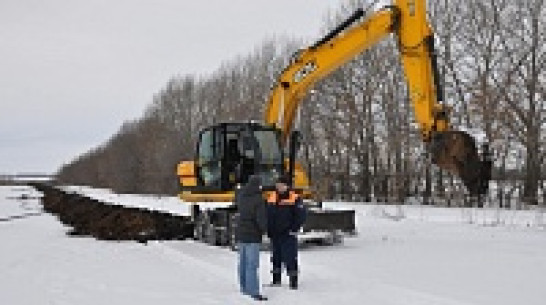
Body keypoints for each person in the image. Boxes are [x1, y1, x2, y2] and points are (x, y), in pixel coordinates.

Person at [266, 175, 307, 290]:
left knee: (290, 257)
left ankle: (293, 281)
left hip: (288, 233)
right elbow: (268, 215)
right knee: (275, 257)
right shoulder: (271, 197)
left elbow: (301, 216)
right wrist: (269, 229)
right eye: (277, 184)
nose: (279, 187)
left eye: (281, 185)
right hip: (275, 233)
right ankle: (276, 279)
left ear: (287, 186)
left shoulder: (295, 198)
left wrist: (294, 229)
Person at [235, 175, 268, 301]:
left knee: (242, 262)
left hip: (241, 233)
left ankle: (243, 287)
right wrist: (265, 230)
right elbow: (261, 219)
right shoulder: (258, 199)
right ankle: (253, 291)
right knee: (252, 264)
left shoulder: (241, 196)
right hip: (253, 234)